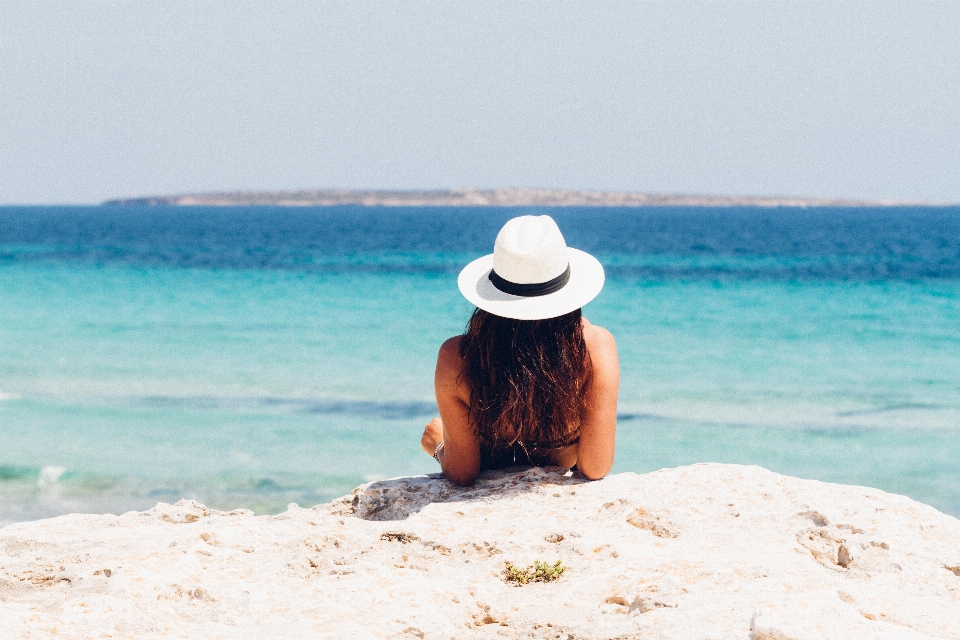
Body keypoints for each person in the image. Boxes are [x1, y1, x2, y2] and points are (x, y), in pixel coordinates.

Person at [421, 215, 619, 486]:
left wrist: (439, 444)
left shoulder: (458, 356)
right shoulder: (594, 347)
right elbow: (595, 467)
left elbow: (462, 473)